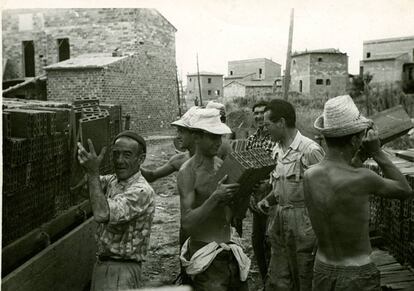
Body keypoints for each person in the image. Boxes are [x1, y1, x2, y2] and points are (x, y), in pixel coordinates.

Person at [305, 95, 413, 291]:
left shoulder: (310, 175)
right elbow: (405, 190)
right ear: (355, 140)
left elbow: (339, 185)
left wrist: (359, 155)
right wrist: (378, 152)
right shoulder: (363, 178)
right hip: (356, 274)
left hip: (322, 269)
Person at [178, 108, 250, 291]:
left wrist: (246, 191)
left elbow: (233, 215)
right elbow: (186, 223)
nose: (218, 142)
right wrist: (215, 197)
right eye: (212, 136)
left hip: (229, 251)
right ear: (196, 137)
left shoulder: (222, 166)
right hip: (205, 257)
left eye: (220, 136)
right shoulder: (188, 172)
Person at [257, 99, 325, 291]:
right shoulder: (277, 150)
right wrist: (267, 200)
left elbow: (325, 194)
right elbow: (279, 187)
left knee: (304, 278)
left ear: (281, 122)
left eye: (267, 124)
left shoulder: (310, 150)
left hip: (304, 224)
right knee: (278, 280)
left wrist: (321, 234)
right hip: (279, 219)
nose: (265, 129)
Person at [77, 130, 155, 291]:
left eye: (127, 155)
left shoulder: (141, 191)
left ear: (141, 159)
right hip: (106, 266)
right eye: (116, 154)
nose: (119, 161)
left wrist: (93, 172)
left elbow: (101, 214)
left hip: (122, 271)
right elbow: (80, 187)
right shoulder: (114, 180)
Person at [245, 100, 276, 283]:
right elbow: (247, 167)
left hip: (273, 196)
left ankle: (274, 279)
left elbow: (279, 167)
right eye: (255, 113)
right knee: (257, 239)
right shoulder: (251, 140)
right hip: (256, 197)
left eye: (262, 113)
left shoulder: (276, 139)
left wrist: (267, 184)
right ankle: (265, 278)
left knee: (271, 240)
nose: (258, 116)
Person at [140, 106, 199, 183]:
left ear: (194, 134)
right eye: (178, 131)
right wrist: (132, 165)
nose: (178, 136)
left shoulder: (214, 162)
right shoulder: (179, 160)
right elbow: (151, 176)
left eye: (181, 131)